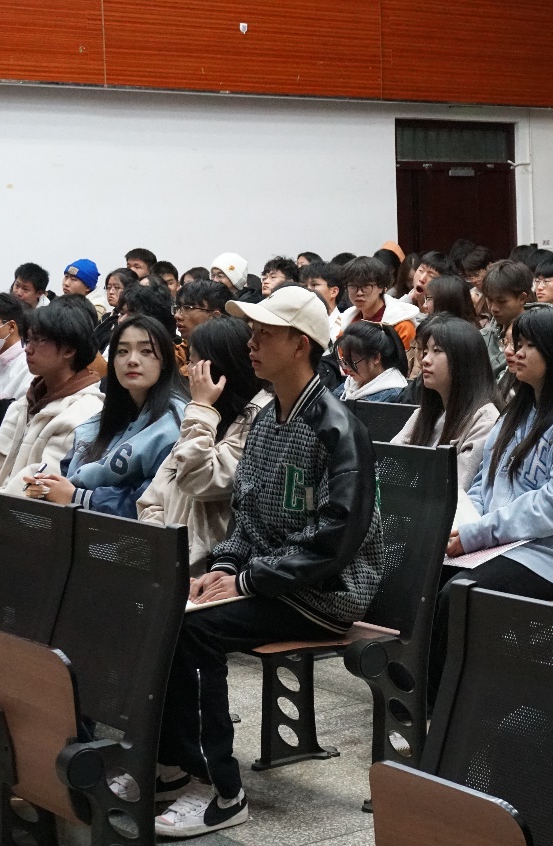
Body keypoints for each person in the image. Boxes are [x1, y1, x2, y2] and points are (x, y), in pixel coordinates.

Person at [151, 287, 383, 837]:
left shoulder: (337, 428)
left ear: (300, 345)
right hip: (273, 579)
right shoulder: (266, 419)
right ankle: (174, 765)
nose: (250, 344)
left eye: (264, 334)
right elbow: (246, 517)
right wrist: (224, 567)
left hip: (324, 591)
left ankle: (221, 791)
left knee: (194, 632)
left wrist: (249, 580)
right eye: (251, 333)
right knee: (164, 611)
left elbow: (334, 542)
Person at [432, 307, 553, 697]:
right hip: (503, 543)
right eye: (515, 343)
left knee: (460, 594)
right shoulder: (520, 409)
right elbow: (485, 481)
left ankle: (442, 704)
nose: (515, 353)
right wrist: (465, 522)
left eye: (528, 346)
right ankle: (414, 688)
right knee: (424, 574)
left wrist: (478, 534)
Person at [138, 318, 269, 570]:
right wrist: (160, 546)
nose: (186, 370)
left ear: (216, 368)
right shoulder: (205, 415)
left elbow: (198, 480)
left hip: (212, 571)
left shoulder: (261, 420)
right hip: (167, 563)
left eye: (193, 361)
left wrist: (201, 407)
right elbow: (153, 498)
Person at [24, 315, 186, 518]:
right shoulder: (108, 414)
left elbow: (153, 499)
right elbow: (68, 469)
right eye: (123, 351)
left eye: (146, 351)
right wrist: (48, 486)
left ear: (164, 361)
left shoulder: (177, 423)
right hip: (81, 522)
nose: (132, 360)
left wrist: (77, 497)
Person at [0, 302, 103, 494]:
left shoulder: (86, 412)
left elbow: (40, 483)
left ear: (69, 350)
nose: (28, 349)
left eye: (39, 340)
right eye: (28, 340)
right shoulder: (24, 404)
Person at [392, 316, 500, 490]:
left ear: (463, 359)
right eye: (425, 351)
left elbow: (456, 489)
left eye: (437, 351)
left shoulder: (485, 421)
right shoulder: (425, 412)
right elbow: (391, 463)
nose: (425, 360)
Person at [338, 256, 419, 352]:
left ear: (381, 287)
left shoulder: (402, 326)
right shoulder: (348, 320)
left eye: (366, 286)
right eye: (353, 286)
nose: (359, 292)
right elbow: (339, 355)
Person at [479, 259, 540, 380]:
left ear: (522, 298)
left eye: (501, 301)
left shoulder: (538, 333)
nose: (493, 308)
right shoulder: (482, 336)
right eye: (489, 300)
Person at [334, 321, 410, 402]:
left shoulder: (393, 396)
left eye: (353, 362)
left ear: (376, 358)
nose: (347, 368)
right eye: (345, 361)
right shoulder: (349, 385)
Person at [94, 267, 139, 352]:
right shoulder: (106, 318)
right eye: (108, 287)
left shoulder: (133, 319)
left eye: (117, 287)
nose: (111, 292)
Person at [300, 261, 348, 342]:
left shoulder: (346, 325)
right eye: (305, 286)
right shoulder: (300, 323)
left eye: (314, 285)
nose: (308, 289)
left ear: (334, 292)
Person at [174, 279, 231, 346]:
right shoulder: (178, 350)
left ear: (215, 316)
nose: (177, 316)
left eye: (188, 308)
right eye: (177, 308)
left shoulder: (231, 349)